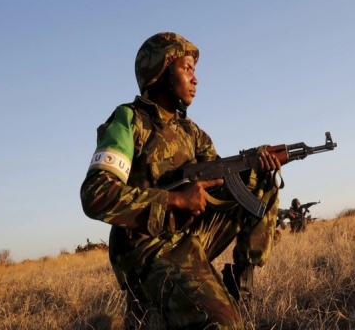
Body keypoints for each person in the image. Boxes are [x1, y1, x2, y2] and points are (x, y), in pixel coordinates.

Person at [80, 32, 281, 329]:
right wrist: (174, 200)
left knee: (260, 184)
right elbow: (96, 194)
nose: (195, 79)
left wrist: (254, 164)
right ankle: (148, 301)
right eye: (187, 68)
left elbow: (223, 185)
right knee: (225, 324)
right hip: (148, 250)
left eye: (194, 71)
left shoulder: (192, 132)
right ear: (161, 71)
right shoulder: (128, 120)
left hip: (189, 238)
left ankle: (239, 286)